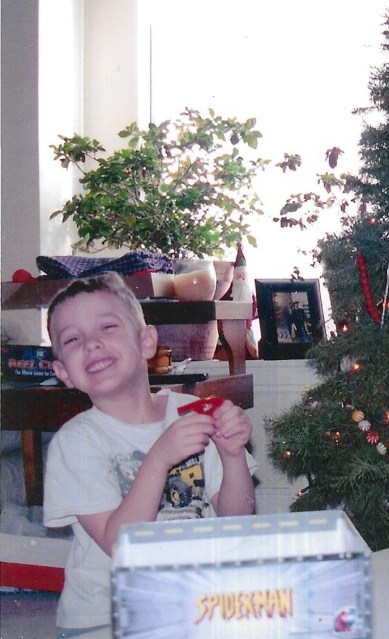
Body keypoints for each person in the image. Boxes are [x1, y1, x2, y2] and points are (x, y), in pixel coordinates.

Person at [42, 272, 257, 638]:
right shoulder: (76, 442)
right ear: (64, 373)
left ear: (146, 342)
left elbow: (236, 520)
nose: (92, 344)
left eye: (107, 327)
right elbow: (120, 546)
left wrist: (232, 455)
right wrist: (159, 458)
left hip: (196, 605)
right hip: (107, 618)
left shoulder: (192, 413)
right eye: (73, 339)